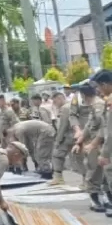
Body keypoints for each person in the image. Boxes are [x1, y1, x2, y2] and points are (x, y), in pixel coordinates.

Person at [79, 70, 112, 216]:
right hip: (100, 142)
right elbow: (91, 125)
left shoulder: (106, 102)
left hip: (104, 144)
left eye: (99, 87)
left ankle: (101, 198)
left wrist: (103, 152)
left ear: (105, 84)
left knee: (103, 171)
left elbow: (108, 129)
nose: (98, 90)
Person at [71, 84, 107, 210]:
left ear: (83, 95)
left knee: (95, 171)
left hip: (100, 143)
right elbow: (88, 126)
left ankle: (97, 198)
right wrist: (79, 142)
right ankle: (96, 197)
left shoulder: (99, 105)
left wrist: (93, 144)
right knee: (94, 169)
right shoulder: (94, 106)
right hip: (95, 142)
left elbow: (104, 128)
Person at [48, 92, 73, 186]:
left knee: (56, 155)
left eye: (55, 101)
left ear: (59, 98)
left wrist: (58, 140)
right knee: (77, 158)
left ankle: (58, 178)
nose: (54, 104)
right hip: (72, 134)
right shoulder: (70, 105)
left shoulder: (65, 108)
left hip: (67, 135)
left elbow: (63, 126)